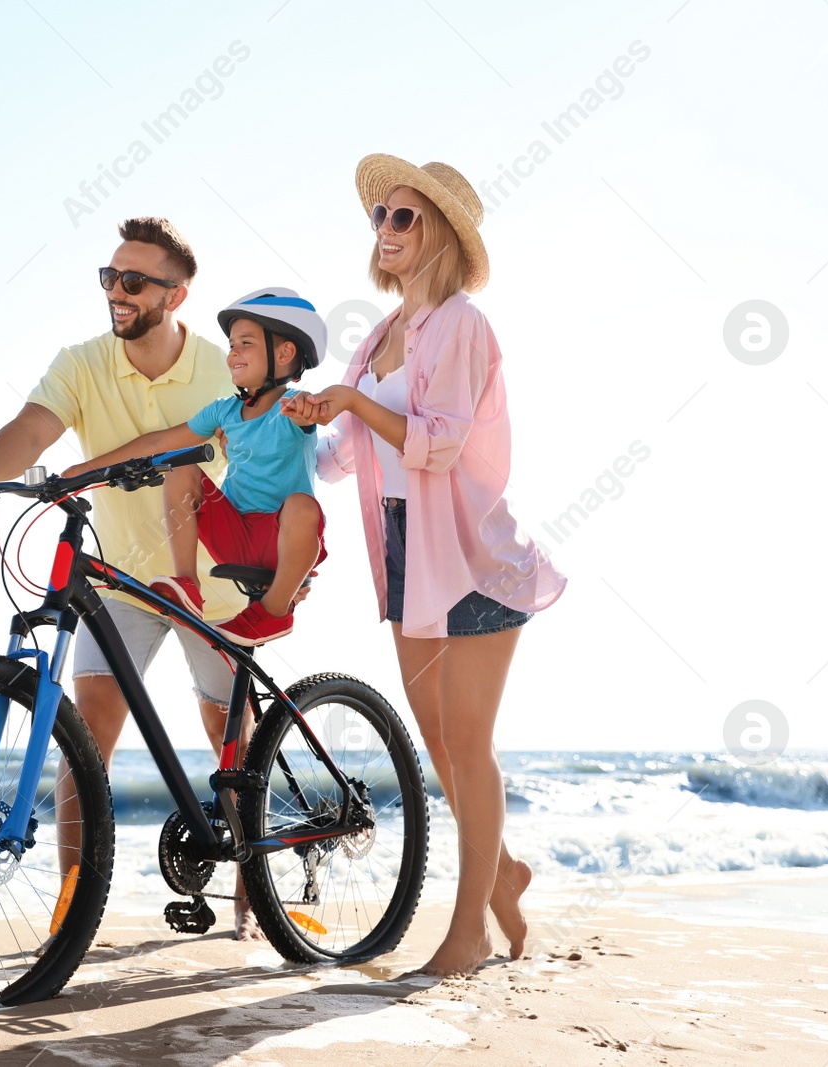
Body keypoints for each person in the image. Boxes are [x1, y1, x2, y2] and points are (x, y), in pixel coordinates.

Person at [0, 217, 270, 939]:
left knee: (227, 739)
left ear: (175, 295)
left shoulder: (219, 368)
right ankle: (71, 913)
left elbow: (263, 465)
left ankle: (252, 891)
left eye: (134, 281)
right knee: (84, 744)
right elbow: (31, 428)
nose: (117, 291)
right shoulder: (83, 363)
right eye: (109, 277)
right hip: (116, 582)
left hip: (209, 584)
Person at [282, 156, 566, 976]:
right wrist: (302, 422)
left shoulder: (463, 323)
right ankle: (503, 872)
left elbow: (437, 441)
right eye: (379, 217)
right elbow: (346, 456)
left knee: (469, 744)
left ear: (439, 231)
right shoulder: (378, 337)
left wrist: (353, 403)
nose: (386, 230)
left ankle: (468, 932)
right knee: (440, 742)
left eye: (403, 217)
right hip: (404, 549)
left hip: (470, 556)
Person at [62, 288, 329, 646]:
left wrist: (309, 407)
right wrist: (86, 470)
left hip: (284, 540)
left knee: (302, 505)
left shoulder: (294, 406)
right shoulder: (223, 411)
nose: (232, 352)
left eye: (245, 343)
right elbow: (159, 443)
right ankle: (188, 585)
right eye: (232, 344)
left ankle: (274, 611)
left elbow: (314, 412)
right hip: (235, 534)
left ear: (284, 353)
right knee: (180, 465)